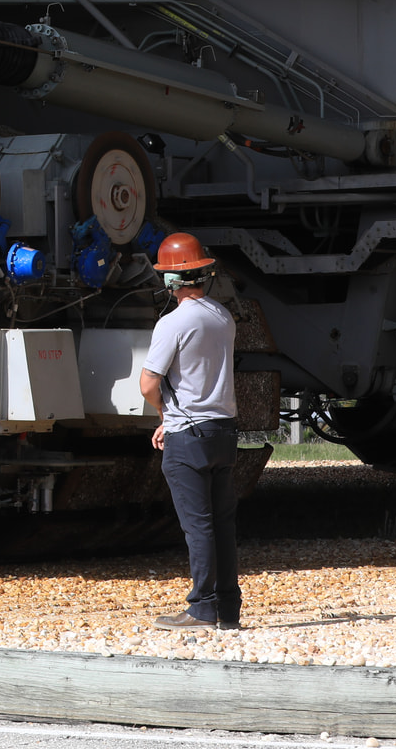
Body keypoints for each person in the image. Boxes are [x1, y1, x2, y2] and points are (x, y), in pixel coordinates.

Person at [139, 232, 241, 631]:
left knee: (198, 525)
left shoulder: (173, 323)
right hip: (224, 431)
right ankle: (227, 610)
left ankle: (201, 609)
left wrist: (164, 415)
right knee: (223, 525)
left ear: (170, 280)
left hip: (188, 436)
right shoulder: (223, 317)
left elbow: (148, 383)